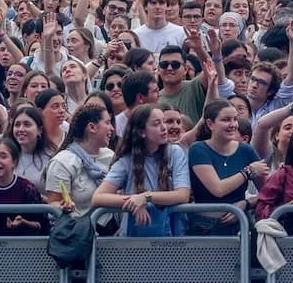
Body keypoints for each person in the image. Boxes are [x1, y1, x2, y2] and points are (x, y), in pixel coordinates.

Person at [91, 105, 191, 236]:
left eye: (164, 121)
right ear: (142, 132)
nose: (164, 128)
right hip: (135, 237)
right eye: (156, 124)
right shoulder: (127, 160)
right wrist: (135, 202)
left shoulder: (175, 152)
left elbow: (183, 195)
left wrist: (146, 197)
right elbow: (98, 197)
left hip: (171, 236)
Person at [187, 100, 266, 235]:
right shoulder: (198, 149)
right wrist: (247, 171)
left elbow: (268, 192)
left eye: (235, 119)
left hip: (240, 224)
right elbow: (218, 189)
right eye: (226, 120)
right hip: (204, 226)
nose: (233, 124)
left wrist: (245, 204)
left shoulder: (246, 150)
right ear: (210, 124)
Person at [0, 137, 49, 235]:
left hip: (21, 242)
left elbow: (41, 225)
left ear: (14, 162)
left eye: (3, 157)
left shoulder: (26, 187)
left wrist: (24, 223)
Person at [46, 105, 116, 216]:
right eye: (107, 123)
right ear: (92, 127)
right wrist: (63, 207)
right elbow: (54, 203)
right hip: (78, 225)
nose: (112, 128)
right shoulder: (62, 162)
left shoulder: (111, 156)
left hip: (112, 224)